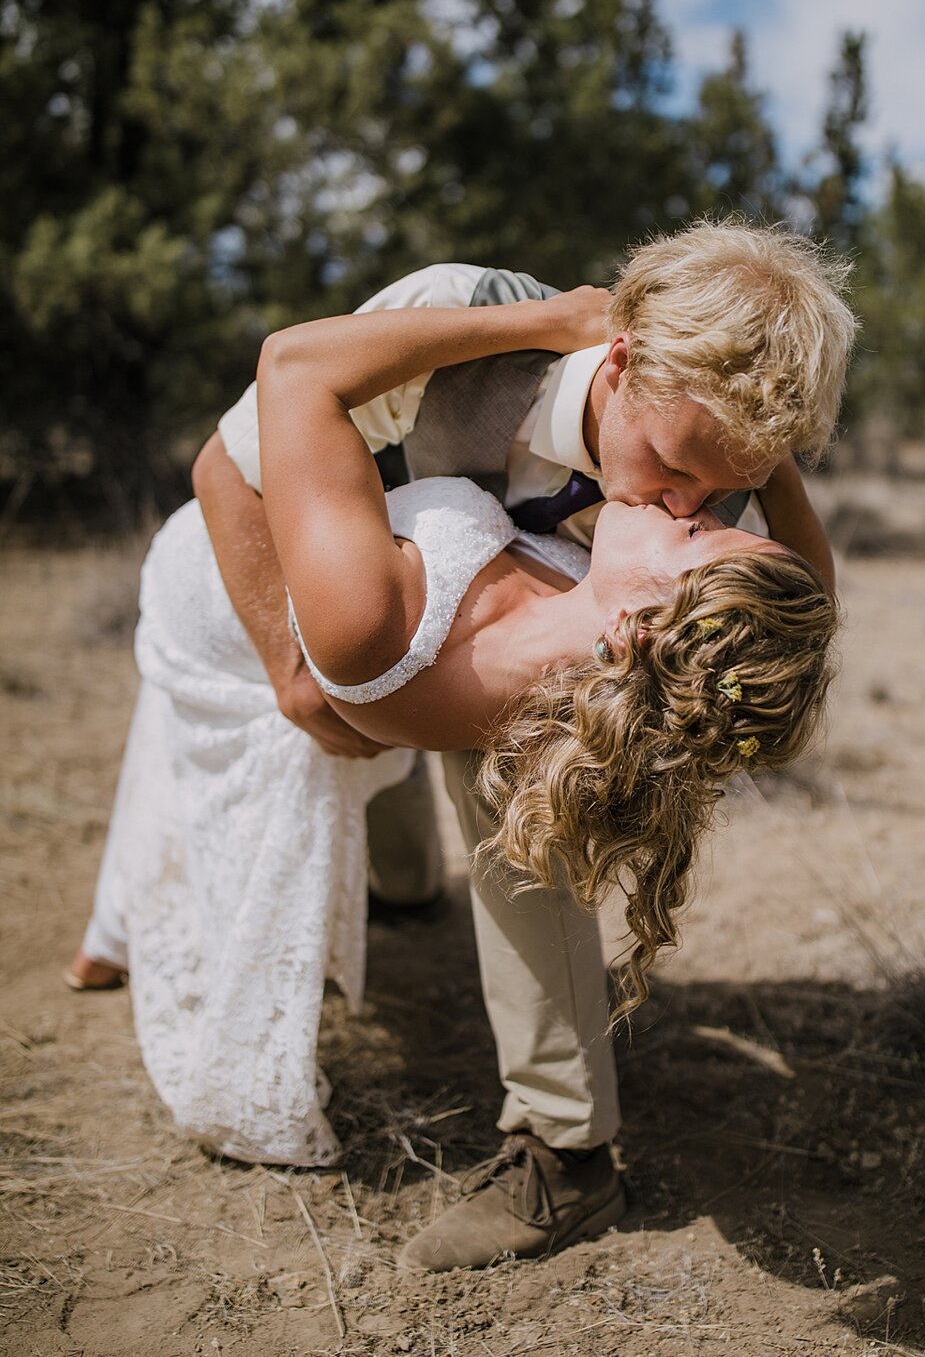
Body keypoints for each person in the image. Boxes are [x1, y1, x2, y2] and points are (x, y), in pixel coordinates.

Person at [71, 219, 855, 1269]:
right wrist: (291, 671)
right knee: (378, 685)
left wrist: (770, 458)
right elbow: (228, 467)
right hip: (331, 586)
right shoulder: (462, 311)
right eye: (672, 466)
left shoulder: (715, 476)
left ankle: (562, 1147)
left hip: (420, 615)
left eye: (724, 491)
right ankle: (401, 890)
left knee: (529, 768)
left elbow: (803, 602)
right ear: (619, 361)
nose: (689, 506)